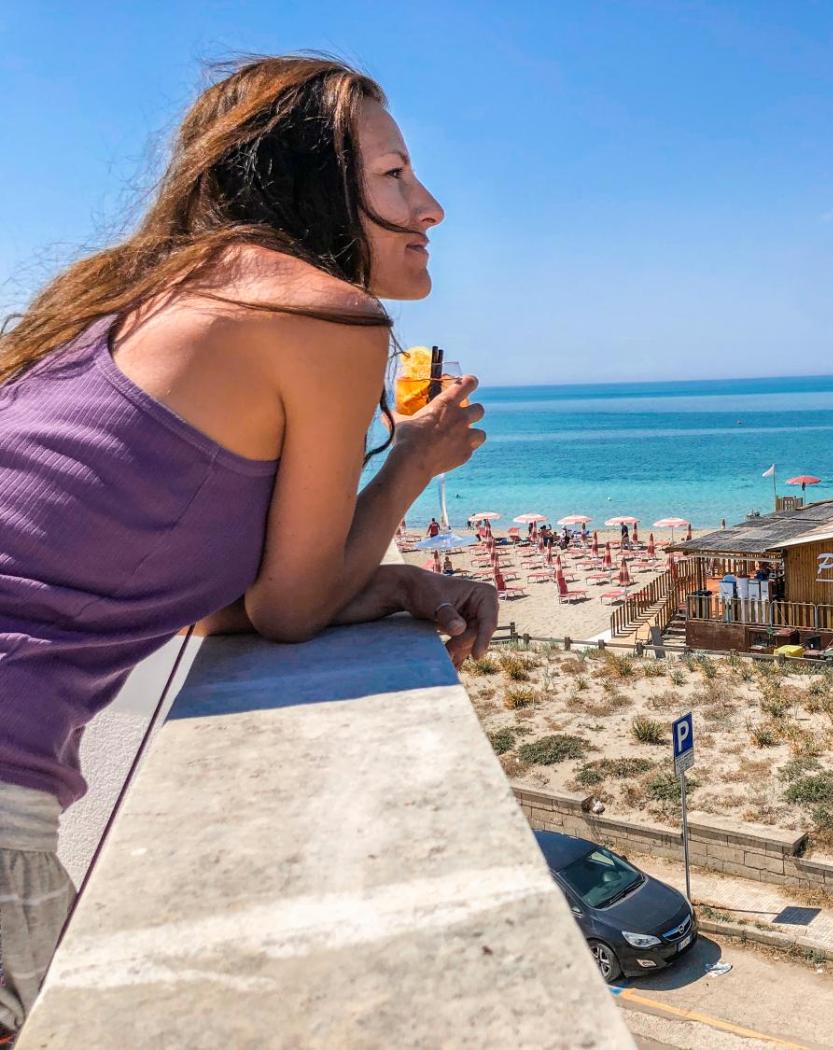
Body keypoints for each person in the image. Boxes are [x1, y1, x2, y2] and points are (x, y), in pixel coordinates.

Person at [0, 56, 501, 1036]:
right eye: (394, 175)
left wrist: (390, 585)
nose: (429, 206)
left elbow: (163, 586)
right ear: (307, 182)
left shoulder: (134, 298)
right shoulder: (320, 315)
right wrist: (412, 461)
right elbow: (289, 610)